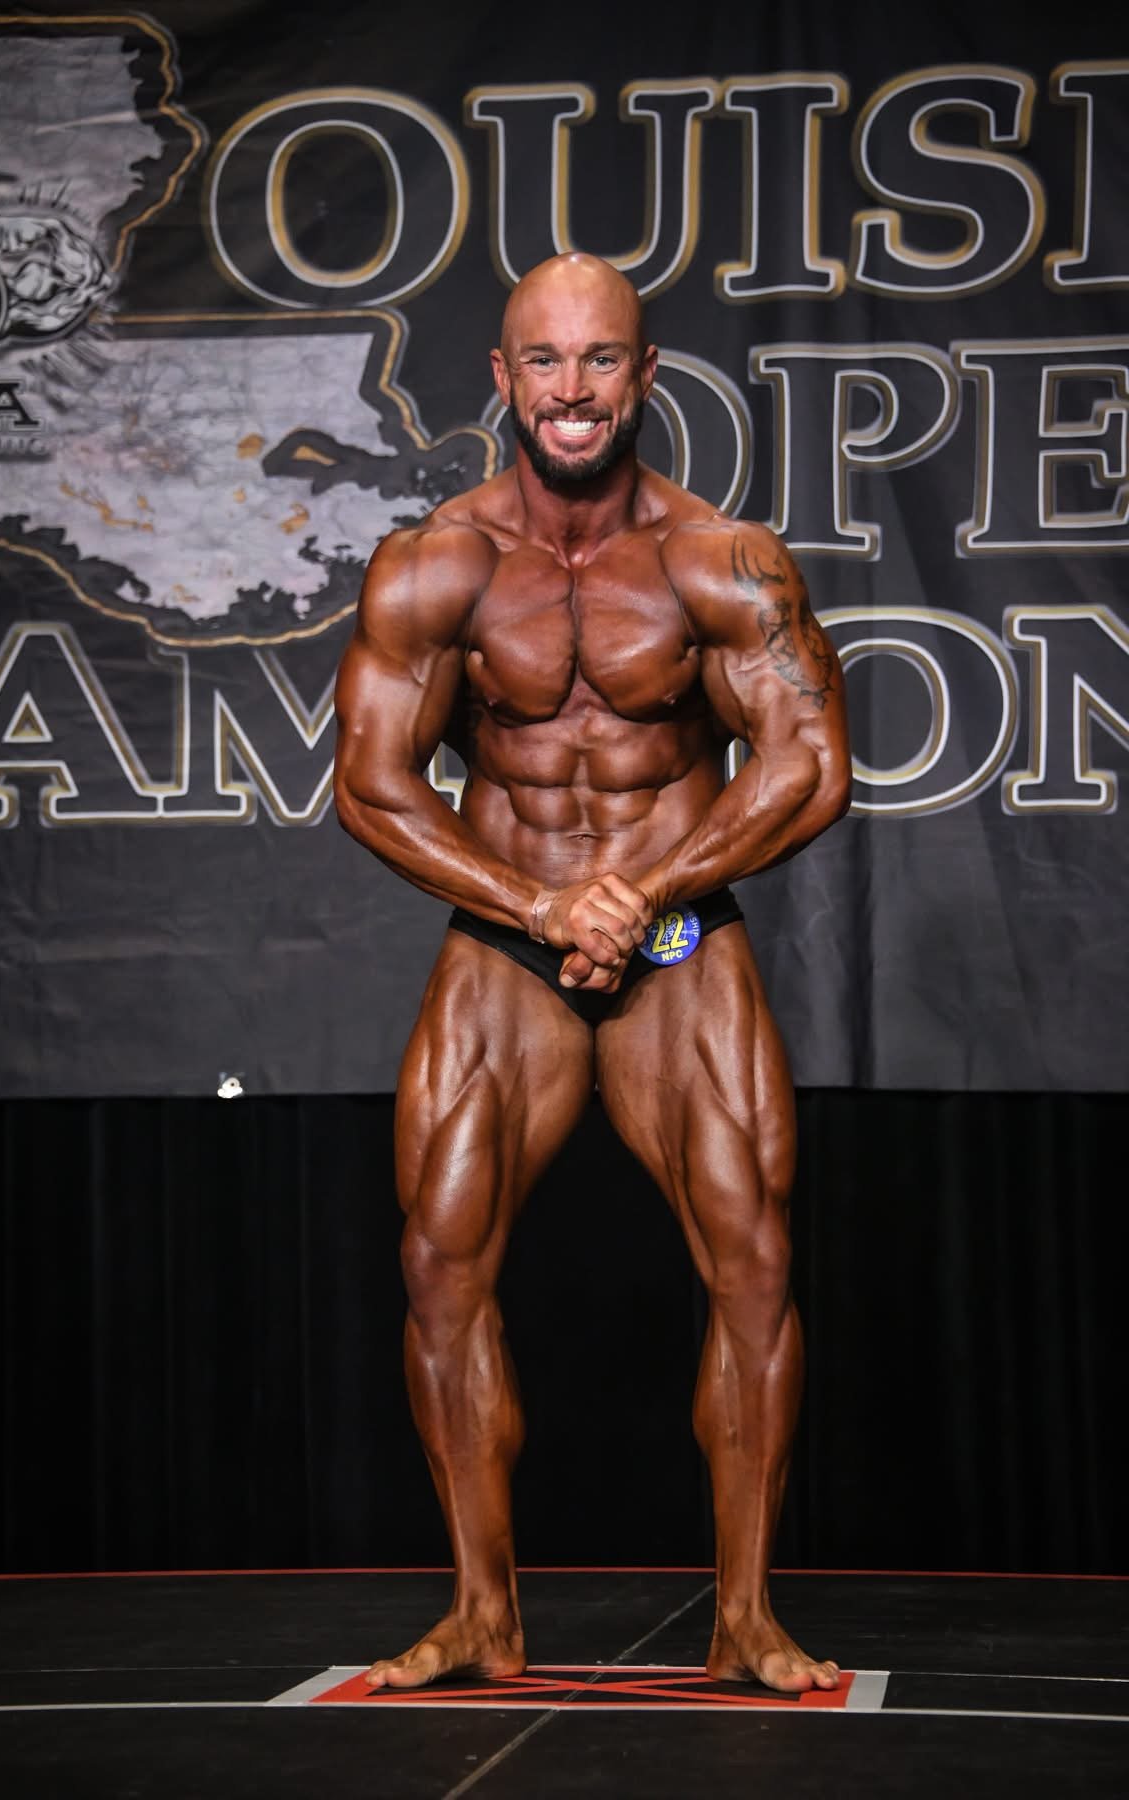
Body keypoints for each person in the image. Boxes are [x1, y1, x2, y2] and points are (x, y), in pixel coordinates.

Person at [334, 252, 851, 1694]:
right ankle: (482, 1615)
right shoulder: (436, 561)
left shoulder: (720, 557)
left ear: (647, 375)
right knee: (440, 1262)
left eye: (601, 360)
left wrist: (644, 890)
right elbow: (373, 788)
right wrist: (543, 901)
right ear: (501, 379)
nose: (572, 391)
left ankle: (746, 1614)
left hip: (678, 938)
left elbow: (812, 767)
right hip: (509, 938)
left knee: (750, 1256)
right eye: (544, 362)